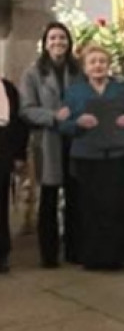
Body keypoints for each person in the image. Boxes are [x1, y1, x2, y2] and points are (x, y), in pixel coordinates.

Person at [57, 44, 124, 270]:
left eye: (102, 61)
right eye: (93, 62)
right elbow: (62, 123)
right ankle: (92, 256)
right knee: (91, 208)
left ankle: (117, 256)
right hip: (87, 157)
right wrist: (77, 123)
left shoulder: (123, 89)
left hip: (116, 155)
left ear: (109, 65)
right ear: (85, 67)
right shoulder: (75, 92)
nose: (98, 66)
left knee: (116, 206)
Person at [19, 22, 81, 267]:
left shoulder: (78, 71)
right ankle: (49, 254)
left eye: (62, 38)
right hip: (48, 142)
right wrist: (53, 116)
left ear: (69, 42)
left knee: (76, 196)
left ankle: (75, 249)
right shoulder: (33, 73)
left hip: (75, 140)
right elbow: (26, 110)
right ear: (45, 43)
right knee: (49, 197)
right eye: (53, 38)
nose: (58, 43)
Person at [0, 75, 27, 272]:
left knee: (1, 204)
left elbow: (18, 122)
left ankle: (1, 254)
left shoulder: (8, 87)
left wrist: (19, 154)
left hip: (3, 150)